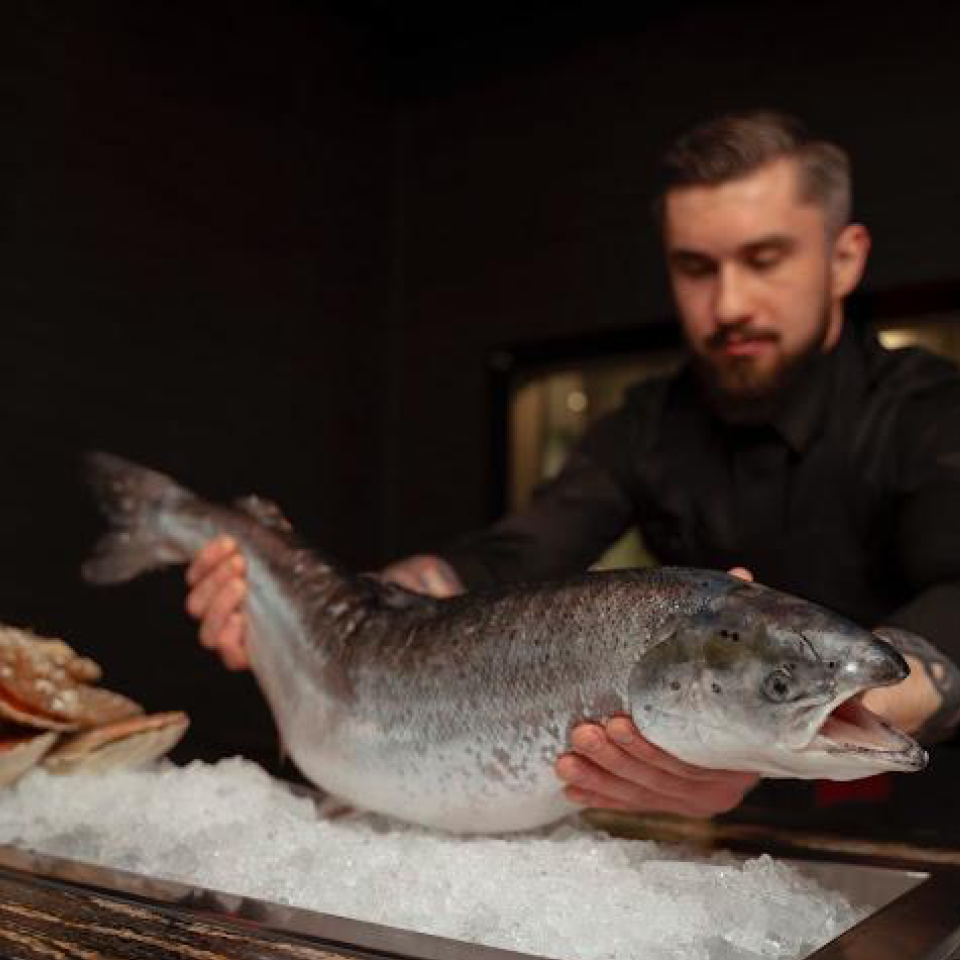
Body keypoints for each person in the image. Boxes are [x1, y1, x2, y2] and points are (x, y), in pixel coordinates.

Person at [185, 110, 960, 818]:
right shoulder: (648, 422)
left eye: (765, 259)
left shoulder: (928, 409)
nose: (729, 304)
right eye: (696, 268)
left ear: (845, 258)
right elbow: (508, 558)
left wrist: (774, 724)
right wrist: (319, 614)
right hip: (688, 810)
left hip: (912, 820)